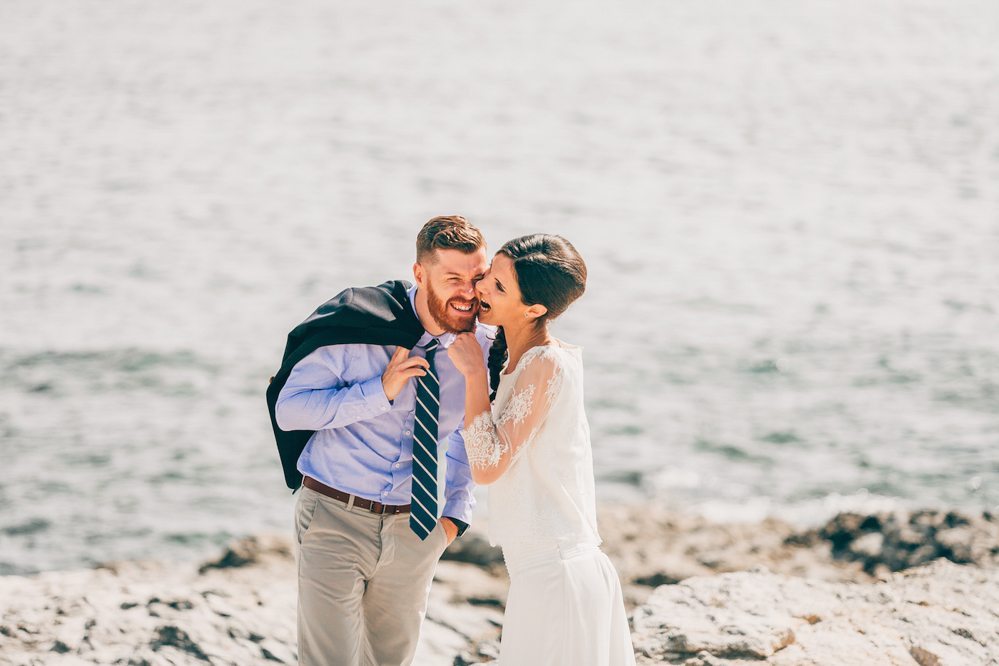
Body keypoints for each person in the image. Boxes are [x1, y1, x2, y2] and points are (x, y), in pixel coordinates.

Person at [266, 215, 493, 666]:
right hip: (334, 516)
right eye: (453, 279)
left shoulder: (485, 345)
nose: (468, 293)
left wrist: (454, 516)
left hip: (416, 528)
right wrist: (378, 393)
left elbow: (474, 432)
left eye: (477, 278)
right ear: (419, 274)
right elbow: (288, 411)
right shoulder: (356, 325)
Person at [449, 234, 636, 665]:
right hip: (542, 575)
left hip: (558, 577)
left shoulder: (545, 364)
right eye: (488, 277)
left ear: (534, 310)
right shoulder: (524, 361)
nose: (481, 289)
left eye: (498, 287)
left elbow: (488, 466)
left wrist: (475, 375)